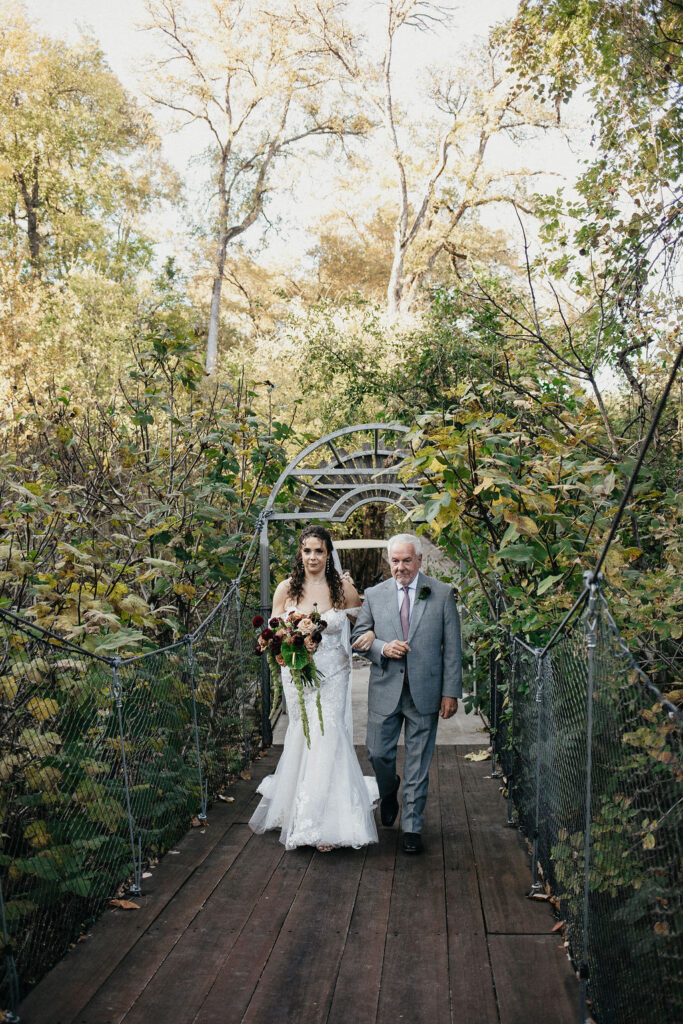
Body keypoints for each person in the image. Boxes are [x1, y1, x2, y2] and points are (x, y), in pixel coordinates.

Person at [249, 525, 379, 852]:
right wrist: (281, 644)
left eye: (319, 551)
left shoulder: (343, 590)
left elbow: (362, 622)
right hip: (297, 673)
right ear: (300, 554)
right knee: (302, 732)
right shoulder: (286, 589)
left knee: (327, 733)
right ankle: (293, 804)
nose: (312, 557)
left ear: (327, 553)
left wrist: (372, 637)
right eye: (307, 551)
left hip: (333, 673)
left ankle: (322, 820)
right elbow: (273, 630)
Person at [351, 533, 461, 855]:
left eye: (407, 560)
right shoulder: (373, 594)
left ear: (420, 560)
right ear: (389, 562)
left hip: (425, 692)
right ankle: (388, 791)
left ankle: (412, 827)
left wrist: (450, 692)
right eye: (395, 561)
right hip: (385, 688)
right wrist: (382, 647)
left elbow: (452, 648)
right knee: (377, 753)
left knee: (418, 765)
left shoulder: (440, 594)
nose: (401, 567)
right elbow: (358, 636)